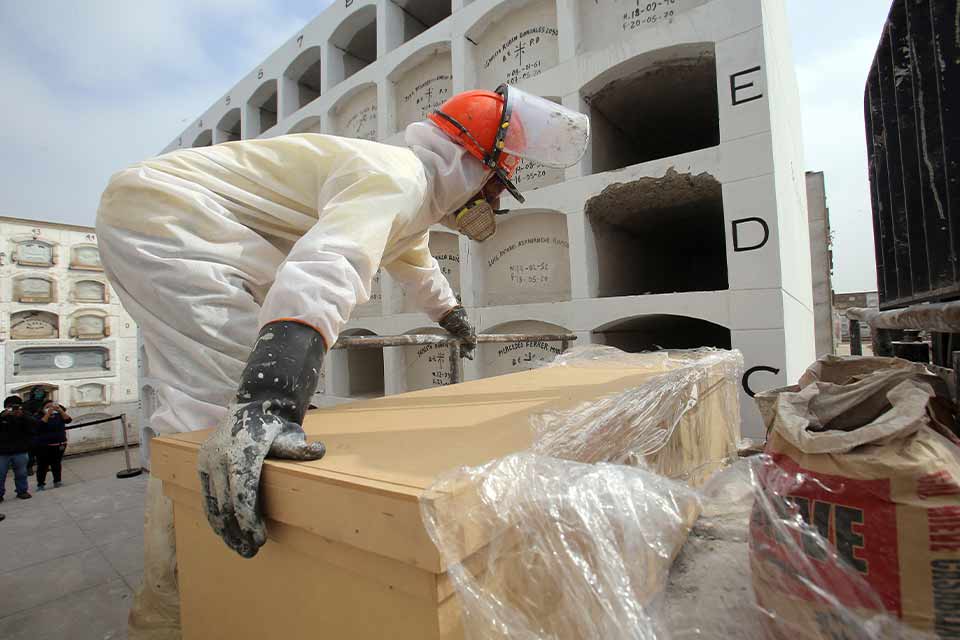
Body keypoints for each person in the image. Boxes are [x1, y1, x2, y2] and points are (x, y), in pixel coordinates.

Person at [97, 84, 588, 638]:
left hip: (169, 214)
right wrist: (269, 399)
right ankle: (177, 610)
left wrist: (453, 319)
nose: (492, 202)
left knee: (210, 410)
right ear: (467, 162)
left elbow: (417, 269)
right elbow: (329, 265)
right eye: (495, 184)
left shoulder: (412, 198)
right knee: (224, 413)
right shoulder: (398, 180)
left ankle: (184, 596)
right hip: (174, 221)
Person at [0, 396, 39, 501]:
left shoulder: (25, 415)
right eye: (10, 406)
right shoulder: (2, 416)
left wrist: (22, 417)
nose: (13, 409)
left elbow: (35, 426)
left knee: (21, 473)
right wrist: (2, 417)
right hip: (2, 452)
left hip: (20, 450)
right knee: (1, 474)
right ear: (5, 407)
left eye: (15, 406)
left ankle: (22, 491)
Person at [35, 401, 71, 490]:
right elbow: (40, 425)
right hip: (44, 445)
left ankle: (57, 481)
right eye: (48, 407)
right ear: (43, 408)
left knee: (56, 464)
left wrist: (60, 410)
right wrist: (48, 414)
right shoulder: (38, 416)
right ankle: (40, 484)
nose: (51, 408)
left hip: (59, 444)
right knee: (43, 465)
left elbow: (68, 420)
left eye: (52, 406)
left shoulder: (59, 415)